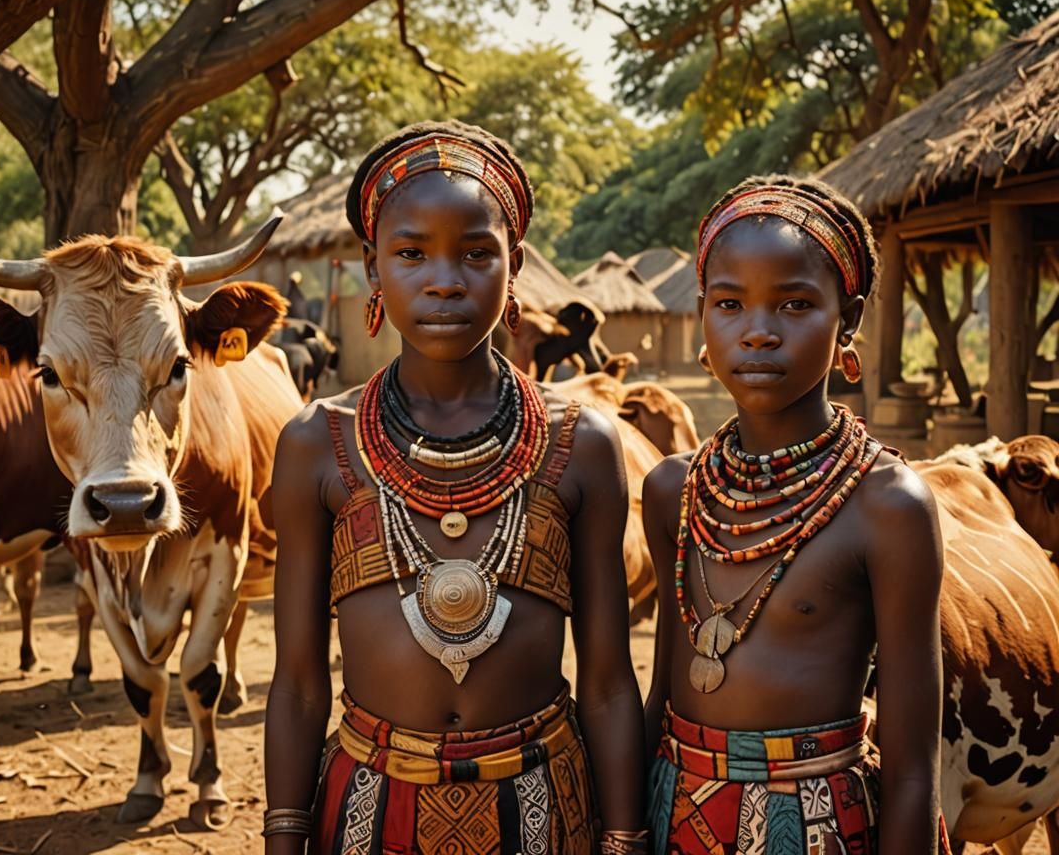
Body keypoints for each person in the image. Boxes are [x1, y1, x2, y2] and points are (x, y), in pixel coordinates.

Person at [264, 120, 646, 854]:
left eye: (477, 254)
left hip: (542, 805)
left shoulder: (581, 445)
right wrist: (284, 839)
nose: (445, 279)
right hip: (370, 808)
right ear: (373, 269)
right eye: (411, 254)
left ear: (516, 267)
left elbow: (606, 681)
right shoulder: (319, 443)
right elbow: (300, 683)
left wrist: (623, 840)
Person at [642, 176, 950, 854]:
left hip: (816, 825)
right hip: (674, 811)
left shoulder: (887, 504)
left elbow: (911, 766)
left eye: (795, 304)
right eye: (730, 304)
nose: (757, 332)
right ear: (702, 315)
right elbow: (660, 694)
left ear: (851, 317)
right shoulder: (675, 491)